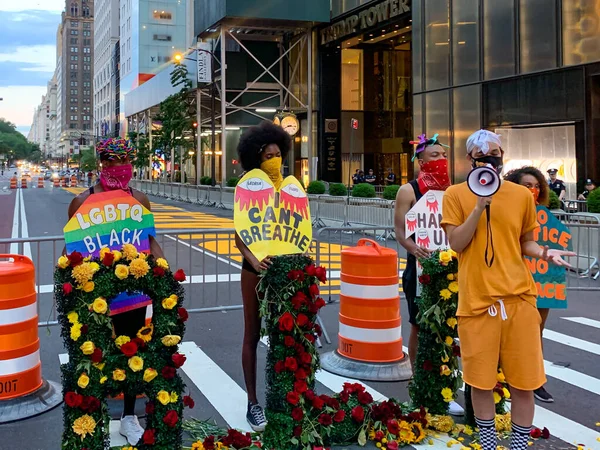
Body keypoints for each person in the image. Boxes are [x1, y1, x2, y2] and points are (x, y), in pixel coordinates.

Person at [441, 130, 574, 450]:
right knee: (480, 381)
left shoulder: (518, 196)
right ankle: (487, 442)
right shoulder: (455, 195)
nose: (491, 157)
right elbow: (457, 243)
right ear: (471, 158)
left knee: (524, 382)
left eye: (496, 151)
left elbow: (525, 241)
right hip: (477, 302)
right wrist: (478, 207)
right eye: (484, 153)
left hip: (519, 299)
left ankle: (517, 445)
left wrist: (544, 252)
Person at [66, 138, 165, 445]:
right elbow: (71, 250)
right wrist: (69, 285)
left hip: (132, 297)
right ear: (101, 163)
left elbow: (150, 242)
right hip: (94, 298)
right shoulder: (81, 202)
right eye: (111, 161)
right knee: (94, 356)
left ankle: (129, 416)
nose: (117, 167)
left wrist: (164, 273)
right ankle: (90, 415)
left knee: (132, 354)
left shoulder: (139, 199)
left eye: (123, 161)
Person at [393, 133, 462, 416]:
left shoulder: (454, 192)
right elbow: (399, 232)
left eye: (443, 156)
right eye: (434, 156)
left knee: (449, 330)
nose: (441, 160)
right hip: (418, 270)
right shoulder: (408, 192)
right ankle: (417, 381)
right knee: (419, 326)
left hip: (451, 270)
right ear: (420, 161)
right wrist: (414, 248)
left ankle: (447, 385)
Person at [234, 121, 292, 432]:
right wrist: (255, 262)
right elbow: (239, 237)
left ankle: (283, 398)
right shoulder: (247, 186)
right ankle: (252, 402)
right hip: (254, 270)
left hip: (286, 268)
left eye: (278, 153)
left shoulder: (291, 187)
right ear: (256, 157)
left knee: (285, 335)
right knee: (252, 334)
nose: (274, 159)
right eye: (268, 155)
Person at [503, 166, 554, 403]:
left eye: (536, 186)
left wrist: (548, 254)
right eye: (527, 186)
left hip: (542, 280)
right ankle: (502, 380)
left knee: (536, 332)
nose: (533, 190)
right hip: (511, 281)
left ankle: (536, 381)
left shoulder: (546, 215)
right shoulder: (505, 210)